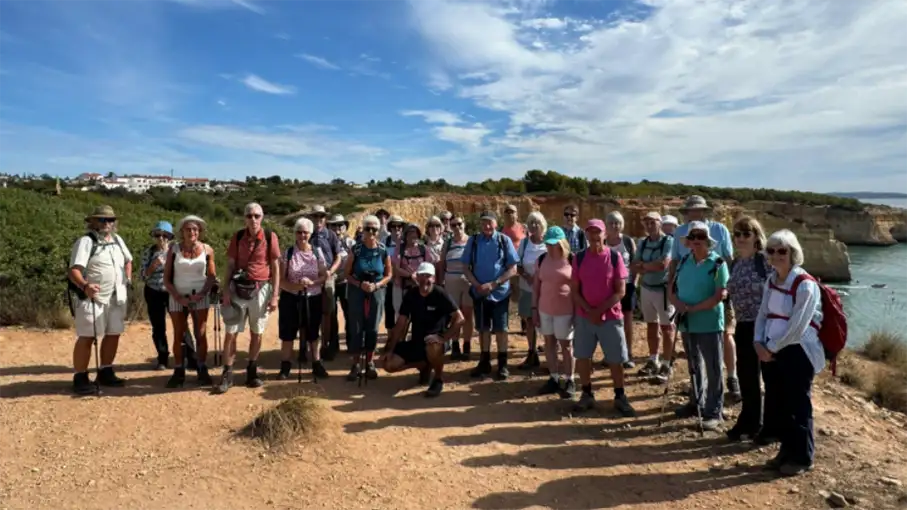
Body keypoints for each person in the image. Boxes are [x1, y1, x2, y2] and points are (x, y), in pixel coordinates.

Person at [755, 229, 825, 477]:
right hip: (772, 349)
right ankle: (786, 452)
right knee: (781, 404)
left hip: (798, 351)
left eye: (782, 251)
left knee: (798, 405)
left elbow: (798, 326)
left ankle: (803, 457)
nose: (776, 255)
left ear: (793, 253)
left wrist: (770, 348)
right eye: (771, 250)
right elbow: (763, 313)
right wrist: (757, 341)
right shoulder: (771, 280)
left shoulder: (805, 284)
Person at [669, 195, 740, 402]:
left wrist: (728, 288)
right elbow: (674, 263)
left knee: (721, 343)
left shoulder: (719, 233)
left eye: (697, 209)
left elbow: (728, 258)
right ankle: (697, 401)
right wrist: (673, 297)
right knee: (693, 360)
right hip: (687, 308)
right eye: (690, 209)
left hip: (714, 300)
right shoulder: (681, 242)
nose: (694, 212)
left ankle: (729, 381)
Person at [571, 219, 635, 416]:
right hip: (585, 317)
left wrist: (599, 311)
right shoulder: (579, 258)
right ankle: (587, 394)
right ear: (586, 235)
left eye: (597, 232)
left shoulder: (615, 258)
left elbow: (621, 291)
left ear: (604, 234)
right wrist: (589, 311)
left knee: (616, 359)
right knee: (582, 356)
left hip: (611, 317)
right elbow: (574, 290)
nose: (594, 236)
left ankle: (619, 396)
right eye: (590, 232)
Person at [669, 221, 730, 431]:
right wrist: (677, 305)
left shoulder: (718, 264)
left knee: (713, 368)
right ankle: (696, 402)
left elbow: (718, 296)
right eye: (692, 237)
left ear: (707, 240)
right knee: (693, 364)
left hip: (709, 323)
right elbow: (673, 288)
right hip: (687, 322)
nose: (696, 241)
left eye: (700, 237)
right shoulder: (684, 260)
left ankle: (714, 411)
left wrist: (692, 309)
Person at [67, 205, 133, 395]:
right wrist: (85, 286)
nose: (107, 223)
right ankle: (80, 376)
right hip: (93, 298)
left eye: (110, 220)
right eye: (103, 220)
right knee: (87, 336)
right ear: (93, 222)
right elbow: (74, 270)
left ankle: (106, 370)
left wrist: (127, 278)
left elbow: (128, 260)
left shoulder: (118, 240)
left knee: (114, 333)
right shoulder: (86, 242)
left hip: (117, 296)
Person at [216, 202, 281, 394]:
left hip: (261, 289)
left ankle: (252, 371)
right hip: (238, 288)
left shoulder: (270, 237)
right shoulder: (237, 237)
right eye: (249, 215)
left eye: (256, 216)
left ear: (262, 217)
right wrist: (225, 290)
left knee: (257, 332)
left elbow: (276, 267)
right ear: (244, 218)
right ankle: (227, 373)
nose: (253, 219)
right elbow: (230, 264)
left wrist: (275, 295)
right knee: (231, 333)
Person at [381, 262, 465, 397]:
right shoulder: (411, 295)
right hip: (417, 341)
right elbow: (401, 323)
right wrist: (390, 349)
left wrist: (444, 337)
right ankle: (423, 365)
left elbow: (460, 318)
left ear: (433, 278)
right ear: (417, 277)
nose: (425, 279)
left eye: (428, 276)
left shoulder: (440, 293)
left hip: (436, 341)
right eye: (422, 275)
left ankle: (438, 379)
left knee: (432, 346)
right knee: (388, 364)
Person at [727, 217, 776, 443]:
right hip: (744, 325)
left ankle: (770, 428)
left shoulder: (764, 260)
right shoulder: (736, 263)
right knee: (747, 377)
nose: (740, 238)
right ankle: (749, 421)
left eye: (746, 234)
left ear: (756, 236)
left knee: (769, 378)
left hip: (765, 327)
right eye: (737, 234)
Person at [461, 210, 519, 380]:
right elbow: (465, 267)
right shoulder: (473, 241)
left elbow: (513, 268)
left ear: (495, 223)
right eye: (483, 222)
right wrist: (477, 285)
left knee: (501, 330)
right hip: (480, 294)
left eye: (490, 222)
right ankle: (484, 362)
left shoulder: (503, 240)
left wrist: (494, 284)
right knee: (483, 329)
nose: (486, 226)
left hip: (500, 293)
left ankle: (502, 364)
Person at [163, 215, 217, 387]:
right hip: (177, 295)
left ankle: (202, 368)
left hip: (199, 295)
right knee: (178, 333)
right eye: (188, 229)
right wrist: (178, 296)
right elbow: (166, 278)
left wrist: (201, 294)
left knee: (200, 333)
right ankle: (179, 370)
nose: (191, 232)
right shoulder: (173, 249)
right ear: (182, 232)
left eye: (195, 229)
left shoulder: (208, 250)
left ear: (199, 231)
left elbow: (211, 277)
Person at [278, 217, 329, 380]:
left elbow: (324, 276)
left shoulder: (317, 252)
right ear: (295, 233)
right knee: (288, 333)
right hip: (291, 297)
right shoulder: (288, 253)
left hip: (313, 296)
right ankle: (285, 366)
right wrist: (297, 286)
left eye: (305, 232)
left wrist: (311, 283)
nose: (302, 235)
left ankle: (317, 363)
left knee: (313, 332)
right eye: (299, 232)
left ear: (310, 233)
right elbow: (281, 280)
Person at [344, 215, 394, 381]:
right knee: (356, 326)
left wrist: (377, 286)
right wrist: (360, 285)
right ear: (363, 229)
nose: (371, 232)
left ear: (379, 230)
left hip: (377, 290)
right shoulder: (356, 250)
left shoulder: (382, 249)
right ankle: (356, 364)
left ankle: (370, 362)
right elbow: (347, 274)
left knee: (373, 326)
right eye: (368, 228)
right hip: (357, 290)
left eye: (374, 229)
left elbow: (389, 274)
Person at [532, 226, 576, 398]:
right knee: (549, 343)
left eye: (553, 244)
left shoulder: (572, 260)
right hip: (545, 309)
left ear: (561, 243)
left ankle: (570, 379)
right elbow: (536, 286)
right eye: (548, 244)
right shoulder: (541, 259)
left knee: (566, 346)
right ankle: (554, 378)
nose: (550, 247)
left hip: (565, 310)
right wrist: (534, 309)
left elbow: (578, 287)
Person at [632, 212, 676, 380]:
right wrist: (646, 266)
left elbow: (663, 264)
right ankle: (653, 359)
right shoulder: (642, 243)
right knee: (651, 325)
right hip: (647, 288)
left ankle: (667, 363)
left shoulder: (668, 241)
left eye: (653, 222)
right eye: (647, 222)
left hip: (663, 290)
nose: (649, 225)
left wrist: (643, 266)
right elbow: (634, 266)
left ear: (659, 223)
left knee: (667, 328)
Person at [307, 205, 344, 362]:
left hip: (328, 277)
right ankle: (308, 347)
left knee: (329, 312)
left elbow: (339, 256)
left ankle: (329, 345)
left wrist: (331, 271)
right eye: (315, 216)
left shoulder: (330, 235)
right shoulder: (307, 234)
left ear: (325, 218)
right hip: (312, 278)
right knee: (310, 311)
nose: (318, 219)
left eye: (321, 216)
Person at [605, 211, 638, 369]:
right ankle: (611, 354)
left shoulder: (627, 241)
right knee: (609, 322)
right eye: (611, 223)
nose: (614, 226)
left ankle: (628, 354)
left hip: (627, 286)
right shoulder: (602, 242)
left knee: (627, 321)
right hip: (607, 287)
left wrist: (634, 283)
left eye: (617, 223)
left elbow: (634, 262)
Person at [438, 214, 473, 360]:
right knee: (455, 315)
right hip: (451, 281)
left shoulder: (471, 241)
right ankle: (455, 344)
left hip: (468, 282)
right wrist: (441, 282)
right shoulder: (448, 242)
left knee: (468, 315)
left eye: (459, 224)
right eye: (453, 225)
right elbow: (442, 263)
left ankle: (466, 344)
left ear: (464, 224)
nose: (457, 227)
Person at [516, 211, 547, 370]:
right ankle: (532, 352)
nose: (534, 225)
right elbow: (518, 265)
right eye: (531, 222)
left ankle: (550, 357)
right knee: (529, 321)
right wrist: (527, 276)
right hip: (527, 288)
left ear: (543, 225)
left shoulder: (548, 243)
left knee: (547, 321)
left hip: (546, 290)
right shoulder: (524, 243)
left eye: (537, 222)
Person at [141, 220, 174, 370]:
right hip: (153, 291)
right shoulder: (148, 252)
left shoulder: (175, 251)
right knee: (158, 326)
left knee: (181, 325)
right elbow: (143, 275)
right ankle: (162, 358)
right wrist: (153, 266)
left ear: (169, 237)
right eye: (158, 235)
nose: (161, 238)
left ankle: (190, 357)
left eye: (164, 235)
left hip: (172, 291)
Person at [328, 214, 355, 356]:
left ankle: (351, 343)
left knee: (349, 313)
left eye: (340, 225)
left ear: (345, 227)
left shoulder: (351, 243)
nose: (337, 228)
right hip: (330, 282)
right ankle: (333, 345)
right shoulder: (326, 243)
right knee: (331, 314)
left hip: (346, 282)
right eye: (334, 225)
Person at [502, 204, 527, 333]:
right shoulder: (501, 230)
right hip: (506, 268)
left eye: (512, 211)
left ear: (517, 214)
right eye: (507, 211)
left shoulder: (523, 228)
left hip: (520, 268)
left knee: (521, 297)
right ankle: (503, 324)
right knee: (505, 296)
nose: (509, 213)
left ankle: (524, 324)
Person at [383, 215, 406, 332]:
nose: (397, 229)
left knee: (404, 309)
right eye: (394, 226)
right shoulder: (384, 242)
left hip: (404, 281)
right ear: (389, 228)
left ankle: (402, 336)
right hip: (389, 281)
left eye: (400, 226)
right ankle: (391, 337)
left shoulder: (406, 242)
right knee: (389, 308)